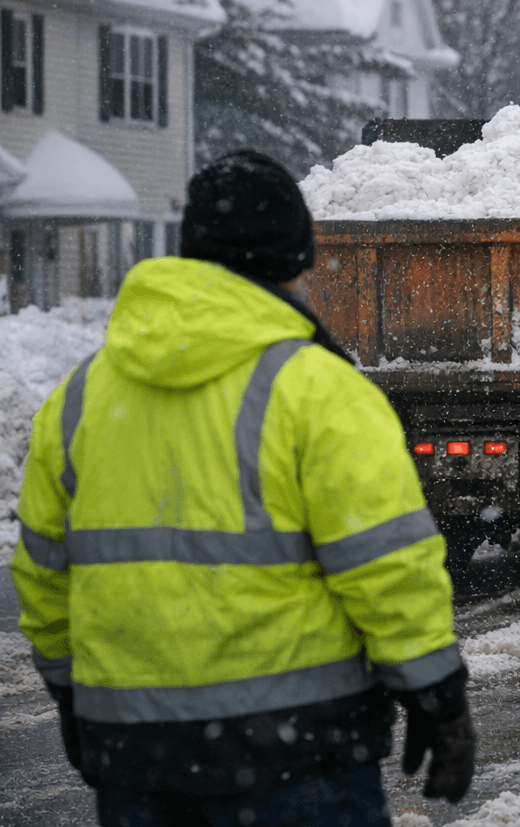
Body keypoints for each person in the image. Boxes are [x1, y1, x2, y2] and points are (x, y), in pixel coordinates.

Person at [10, 151, 475, 826]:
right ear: (296, 259)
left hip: (138, 761)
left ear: (191, 249)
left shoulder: (79, 397)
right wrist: (439, 699)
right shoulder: (319, 391)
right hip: (297, 757)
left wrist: (71, 698)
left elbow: (43, 578)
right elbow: (387, 569)